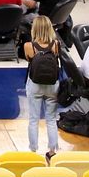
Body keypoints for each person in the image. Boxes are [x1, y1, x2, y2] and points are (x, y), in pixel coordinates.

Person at [23, 16, 60, 159]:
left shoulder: (29, 46)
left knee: (33, 119)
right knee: (51, 119)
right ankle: (52, 151)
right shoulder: (55, 44)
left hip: (35, 84)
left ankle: (33, 150)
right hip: (52, 85)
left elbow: (29, 61)